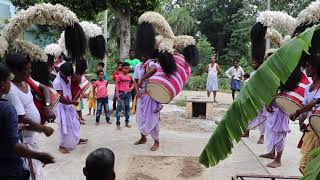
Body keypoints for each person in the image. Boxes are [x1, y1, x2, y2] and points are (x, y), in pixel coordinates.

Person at [4, 53, 55, 180]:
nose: (30, 71)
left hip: (31, 138)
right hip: (23, 142)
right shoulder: (11, 91)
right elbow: (23, 118)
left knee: (37, 172)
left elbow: (45, 89)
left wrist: (48, 107)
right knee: (33, 174)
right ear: (15, 71)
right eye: (27, 69)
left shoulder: (27, 80)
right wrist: (43, 129)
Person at [290, 60, 320, 174]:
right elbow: (305, 106)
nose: (306, 69)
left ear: (315, 68)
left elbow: (313, 103)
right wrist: (300, 122)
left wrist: (297, 112)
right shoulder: (308, 87)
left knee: (309, 165)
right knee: (305, 166)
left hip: (318, 128)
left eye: (308, 66)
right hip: (312, 128)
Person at [53, 62, 87, 154]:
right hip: (62, 106)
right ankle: (62, 145)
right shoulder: (57, 82)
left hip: (70, 105)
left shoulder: (67, 75)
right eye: (67, 75)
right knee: (64, 127)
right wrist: (73, 102)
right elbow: (60, 99)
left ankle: (76, 139)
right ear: (61, 72)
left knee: (75, 123)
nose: (68, 77)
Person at [242, 60, 266, 144]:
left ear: (260, 64)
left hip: (262, 99)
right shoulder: (252, 74)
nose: (252, 65)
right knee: (248, 115)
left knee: (262, 117)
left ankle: (262, 136)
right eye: (252, 63)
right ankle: (247, 132)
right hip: (253, 98)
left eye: (255, 63)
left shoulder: (265, 74)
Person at [115, 62, 134, 129]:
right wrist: (117, 96)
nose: (126, 70)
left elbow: (133, 83)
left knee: (127, 108)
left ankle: (127, 122)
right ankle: (118, 124)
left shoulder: (130, 76)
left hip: (128, 94)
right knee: (119, 109)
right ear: (122, 68)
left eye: (128, 68)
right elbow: (117, 86)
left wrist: (131, 88)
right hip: (121, 94)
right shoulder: (119, 76)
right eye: (125, 68)